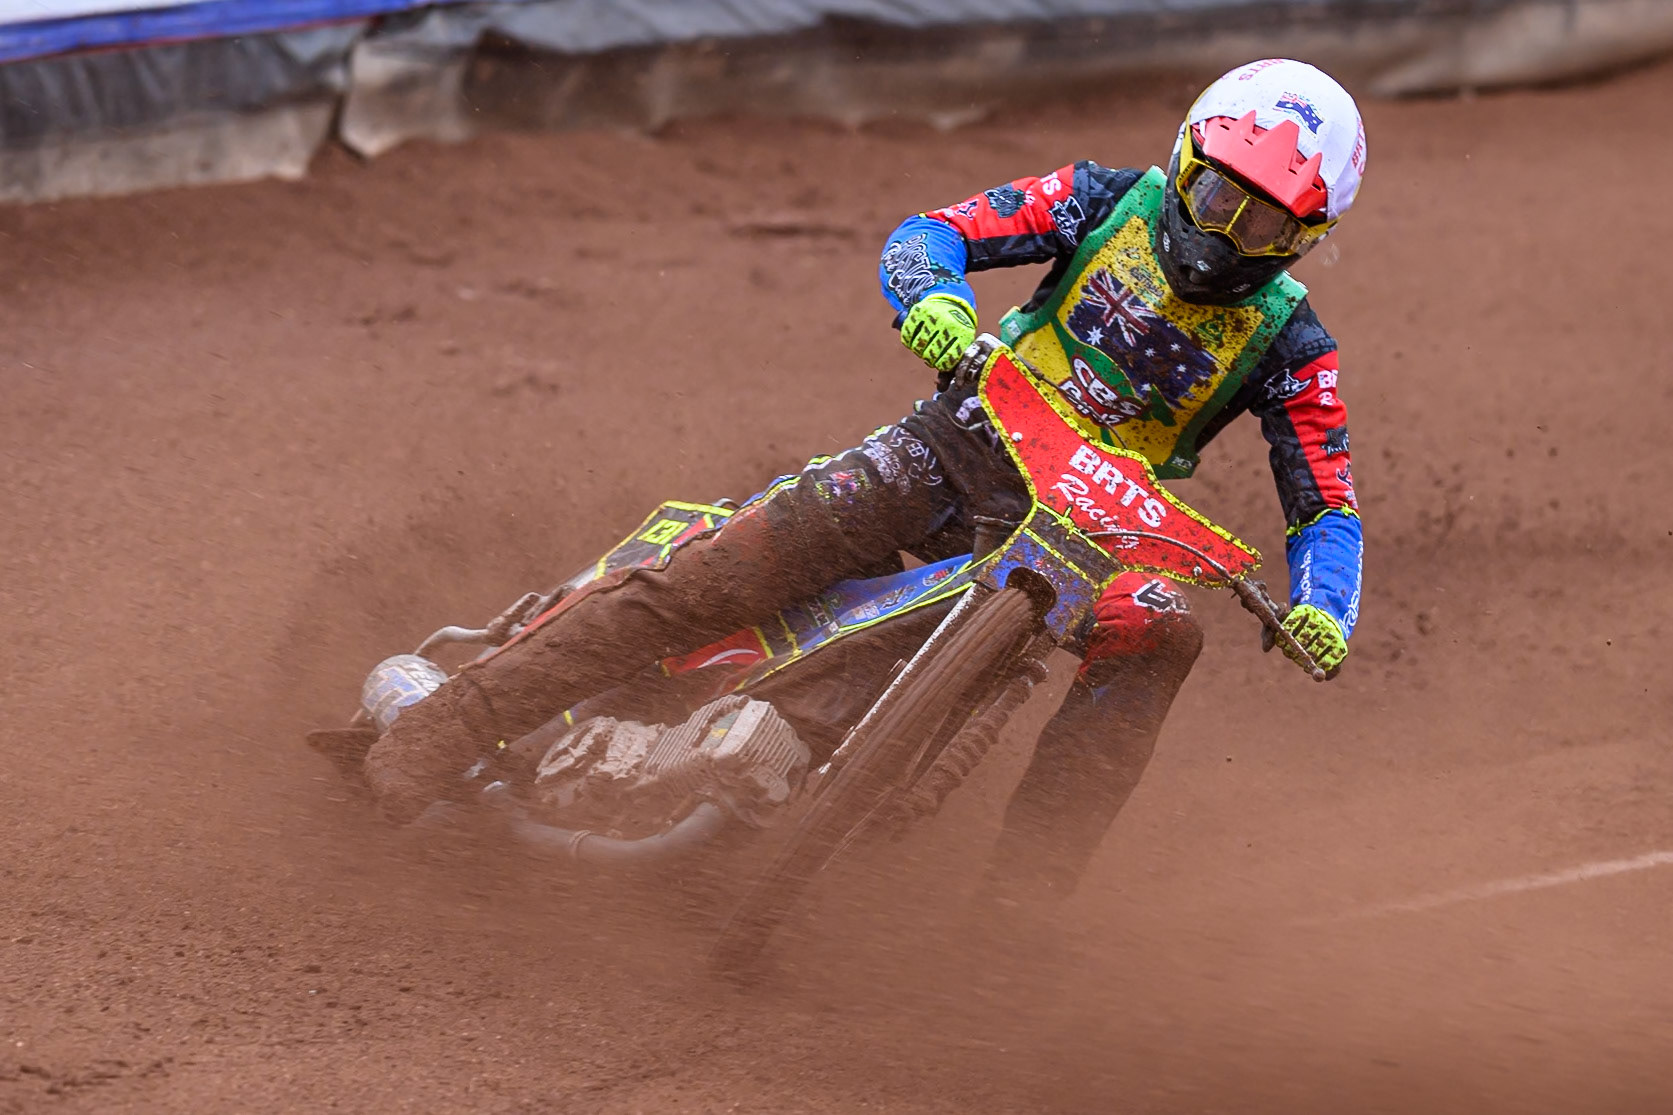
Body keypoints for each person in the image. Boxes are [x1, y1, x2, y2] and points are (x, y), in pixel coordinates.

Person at [364, 58, 1365, 901]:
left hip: (1079, 533)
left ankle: (1013, 924)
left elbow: (1323, 496)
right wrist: (930, 299)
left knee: (1164, 634)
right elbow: (932, 232)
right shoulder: (1105, 200)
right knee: (717, 574)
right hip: (953, 438)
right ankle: (435, 735)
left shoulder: (1290, 341)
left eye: (1265, 226)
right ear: (1184, 159)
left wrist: (1324, 604)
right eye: (1218, 195)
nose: (1226, 232)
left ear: (1304, 240)